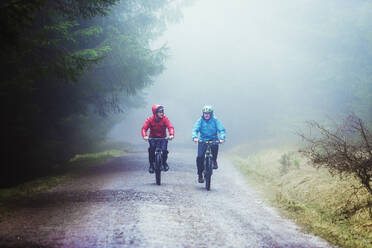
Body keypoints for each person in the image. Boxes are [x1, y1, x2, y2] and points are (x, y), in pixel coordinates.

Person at [192, 105, 226, 183]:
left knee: (215, 145)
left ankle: (214, 161)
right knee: (200, 157)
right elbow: (195, 129)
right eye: (205, 113)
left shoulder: (215, 120)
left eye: (208, 113)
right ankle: (200, 174)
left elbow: (221, 130)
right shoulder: (200, 120)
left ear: (211, 114)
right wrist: (194, 137)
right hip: (202, 140)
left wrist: (222, 138)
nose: (206, 115)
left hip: (213, 138)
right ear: (203, 114)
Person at [141, 104, 174, 173]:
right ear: (155, 113)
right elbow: (144, 128)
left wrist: (171, 135)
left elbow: (170, 127)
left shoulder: (165, 119)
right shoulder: (150, 119)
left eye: (162, 111)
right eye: (160, 112)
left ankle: (164, 163)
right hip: (153, 138)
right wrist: (145, 136)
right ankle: (151, 165)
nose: (162, 113)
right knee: (151, 150)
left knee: (164, 150)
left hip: (163, 138)